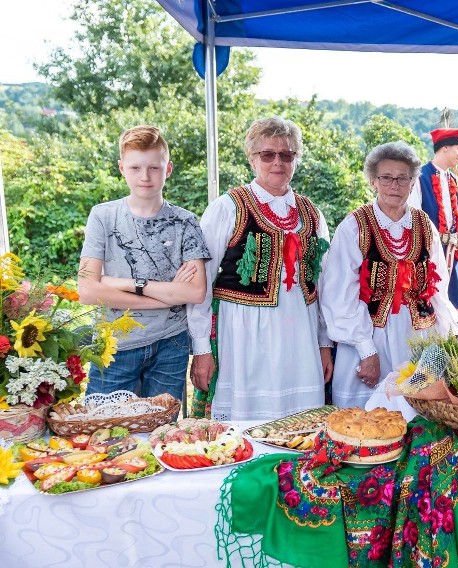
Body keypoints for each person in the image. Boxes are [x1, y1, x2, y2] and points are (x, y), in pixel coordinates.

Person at [187, 117, 333, 420]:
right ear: (252, 159)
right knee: (244, 424)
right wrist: (201, 348)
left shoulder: (311, 213)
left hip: (299, 336)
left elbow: (322, 286)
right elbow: (198, 284)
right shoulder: (228, 207)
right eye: (267, 154)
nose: (277, 162)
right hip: (242, 335)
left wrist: (323, 344)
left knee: (300, 425)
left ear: (296, 159)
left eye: (287, 154)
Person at [321, 141, 458, 409]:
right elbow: (338, 295)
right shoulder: (354, 226)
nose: (394, 185)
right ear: (373, 181)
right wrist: (366, 351)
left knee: (418, 414)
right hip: (369, 339)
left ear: (412, 183)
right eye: (386, 178)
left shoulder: (424, 225)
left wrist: (446, 339)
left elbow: (437, 287)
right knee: (365, 422)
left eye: (402, 178)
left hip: (418, 339)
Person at [78, 125, 210, 402]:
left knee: (161, 433)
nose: (145, 177)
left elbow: (195, 292)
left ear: (168, 169)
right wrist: (168, 297)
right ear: (122, 168)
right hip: (114, 345)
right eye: (136, 168)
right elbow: (88, 291)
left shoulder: (185, 221)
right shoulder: (103, 216)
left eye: (154, 168)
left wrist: (125, 284)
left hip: (170, 344)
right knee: (105, 429)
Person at [407, 127, 458, 310]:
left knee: (454, 304)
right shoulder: (419, 178)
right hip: (429, 257)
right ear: (445, 148)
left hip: (453, 256)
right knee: (430, 306)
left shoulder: (457, 182)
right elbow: (414, 219)